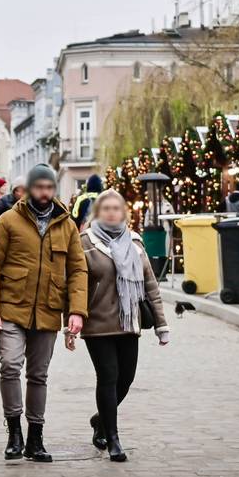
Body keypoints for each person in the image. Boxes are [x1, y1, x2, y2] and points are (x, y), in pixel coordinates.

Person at [0, 163, 88, 463]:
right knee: (10, 365)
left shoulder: (66, 225)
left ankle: (35, 438)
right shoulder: (8, 221)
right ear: (28, 189)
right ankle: (14, 432)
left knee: (38, 375)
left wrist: (76, 312)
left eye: (49, 187)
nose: (44, 193)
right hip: (11, 308)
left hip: (49, 310)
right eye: (39, 187)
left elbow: (78, 270)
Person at [79, 189, 169, 462]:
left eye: (116, 208)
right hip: (98, 323)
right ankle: (114, 438)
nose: (111, 212)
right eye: (105, 208)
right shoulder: (85, 242)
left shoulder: (135, 242)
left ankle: (100, 419)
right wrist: (71, 319)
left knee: (126, 380)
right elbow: (74, 285)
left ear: (123, 212)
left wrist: (161, 325)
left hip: (130, 322)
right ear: (98, 212)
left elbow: (150, 286)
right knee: (108, 377)